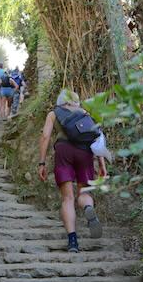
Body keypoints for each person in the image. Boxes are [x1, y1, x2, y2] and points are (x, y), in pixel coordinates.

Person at [38, 89, 107, 253]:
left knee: (67, 198)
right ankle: (88, 207)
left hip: (64, 152)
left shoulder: (53, 114)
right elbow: (97, 138)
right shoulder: (85, 113)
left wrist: (41, 162)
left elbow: (45, 137)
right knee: (84, 193)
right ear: (76, 100)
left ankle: (73, 242)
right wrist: (102, 164)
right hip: (85, 153)